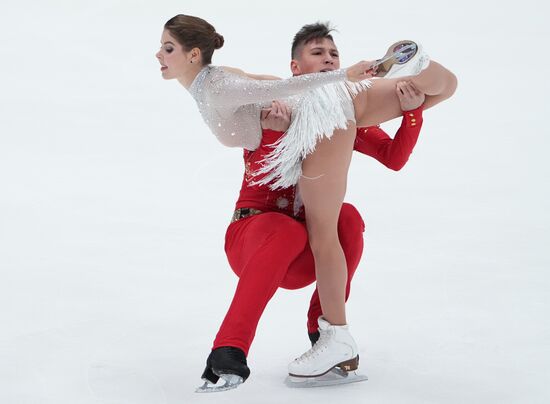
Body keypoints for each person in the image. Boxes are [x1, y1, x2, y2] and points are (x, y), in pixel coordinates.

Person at [155, 15, 457, 389]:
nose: (330, 58)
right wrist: (273, 133)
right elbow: (263, 167)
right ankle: (229, 350)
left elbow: (393, 157)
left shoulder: (333, 116)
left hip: (304, 248)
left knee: (346, 219)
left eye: (334, 53)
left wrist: (412, 113)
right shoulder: (270, 105)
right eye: (319, 52)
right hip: (254, 236)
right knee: (286, 230)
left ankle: (326, 335)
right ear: (296, 68)